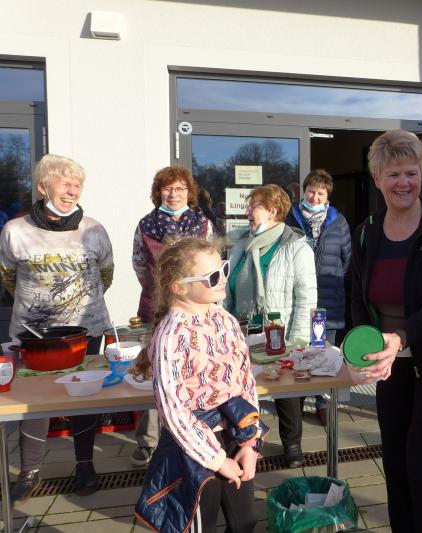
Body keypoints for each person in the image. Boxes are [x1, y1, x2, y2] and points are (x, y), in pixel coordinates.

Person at [351, 130, 422, 532]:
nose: (404, 182)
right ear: (377, 179)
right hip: (390, 362)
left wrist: (400, 338)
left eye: (412, 172)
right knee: (396, 460)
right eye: (394, 174)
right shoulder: (366, 232)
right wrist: (364, 346)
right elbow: (358, 297)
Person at [0, 154, 114, 501]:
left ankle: (85, 464)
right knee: (33, 402)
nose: (72, 190)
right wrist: (42, 307)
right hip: (34, 336)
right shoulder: (15, 231)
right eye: (64, 183)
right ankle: (30, 471)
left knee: (83, 398)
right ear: (42, 187)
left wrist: (76, 306)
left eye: (77, 184)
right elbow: (8, 277)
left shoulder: (93, 229)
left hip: (85, 331)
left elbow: (105, 275)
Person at [132, 237, 260, 533]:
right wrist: (217, 460)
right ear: (180, 287)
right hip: (192, 447)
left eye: (223, 269)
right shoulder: (171, 334)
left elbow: (245, 382)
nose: (223, 279)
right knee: (201, 526)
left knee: (245, 521)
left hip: (234, 432)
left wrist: (250, 442)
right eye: (212, 276)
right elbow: (173, 411)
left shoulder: (225, 320)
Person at [224, 184, 316, 468]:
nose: (248, 211)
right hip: (241, 332)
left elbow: (307, 297)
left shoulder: (295, 247)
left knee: (286, 392)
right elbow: (228, 289)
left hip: (279, 333)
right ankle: (245, 441)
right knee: (241, 390)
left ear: (273, 211)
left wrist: (298, 341)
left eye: (254, 205)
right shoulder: (241, 244)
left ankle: (292, 444)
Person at [131, 165, 214, 466]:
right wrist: (159, 291)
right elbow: (139, 263)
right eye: (168, 188)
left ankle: (195, 434)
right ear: (159, 193)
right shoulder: (146, 225)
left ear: (189, 192)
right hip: (155, 308)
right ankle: (148, 440)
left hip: (196, 309)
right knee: (153, 371)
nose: (174, 194)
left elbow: (211, 265)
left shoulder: (202, 224)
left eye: (180, 188)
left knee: (195, 368)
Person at [286, 169, 352, 426]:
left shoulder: (338, 221)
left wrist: (330, 280)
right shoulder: (290, 217)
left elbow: (346, 260)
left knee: (324, 351)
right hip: (298, 297)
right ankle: (297, 400)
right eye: (311, 191)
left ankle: (323, 402)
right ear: (304, 192)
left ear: (327, 196)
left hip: (327, 297)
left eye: (320, 193)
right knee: (301, 349)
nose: (315, 197)